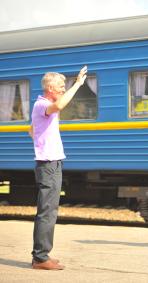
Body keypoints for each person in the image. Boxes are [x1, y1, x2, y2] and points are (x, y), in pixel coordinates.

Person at [28, 66, 87, 270]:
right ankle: (40, 258)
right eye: (61, 86)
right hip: (48, 163)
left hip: (51, 162)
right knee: (47, 211)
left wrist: (43, 140)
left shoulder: (43, 106)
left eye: (64, 86)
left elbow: (31, 131)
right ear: (51, 88)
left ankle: (43, 254)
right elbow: (61, 104)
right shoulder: (43, 104)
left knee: (50, 210)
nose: (63, 89)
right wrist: (78, 84)